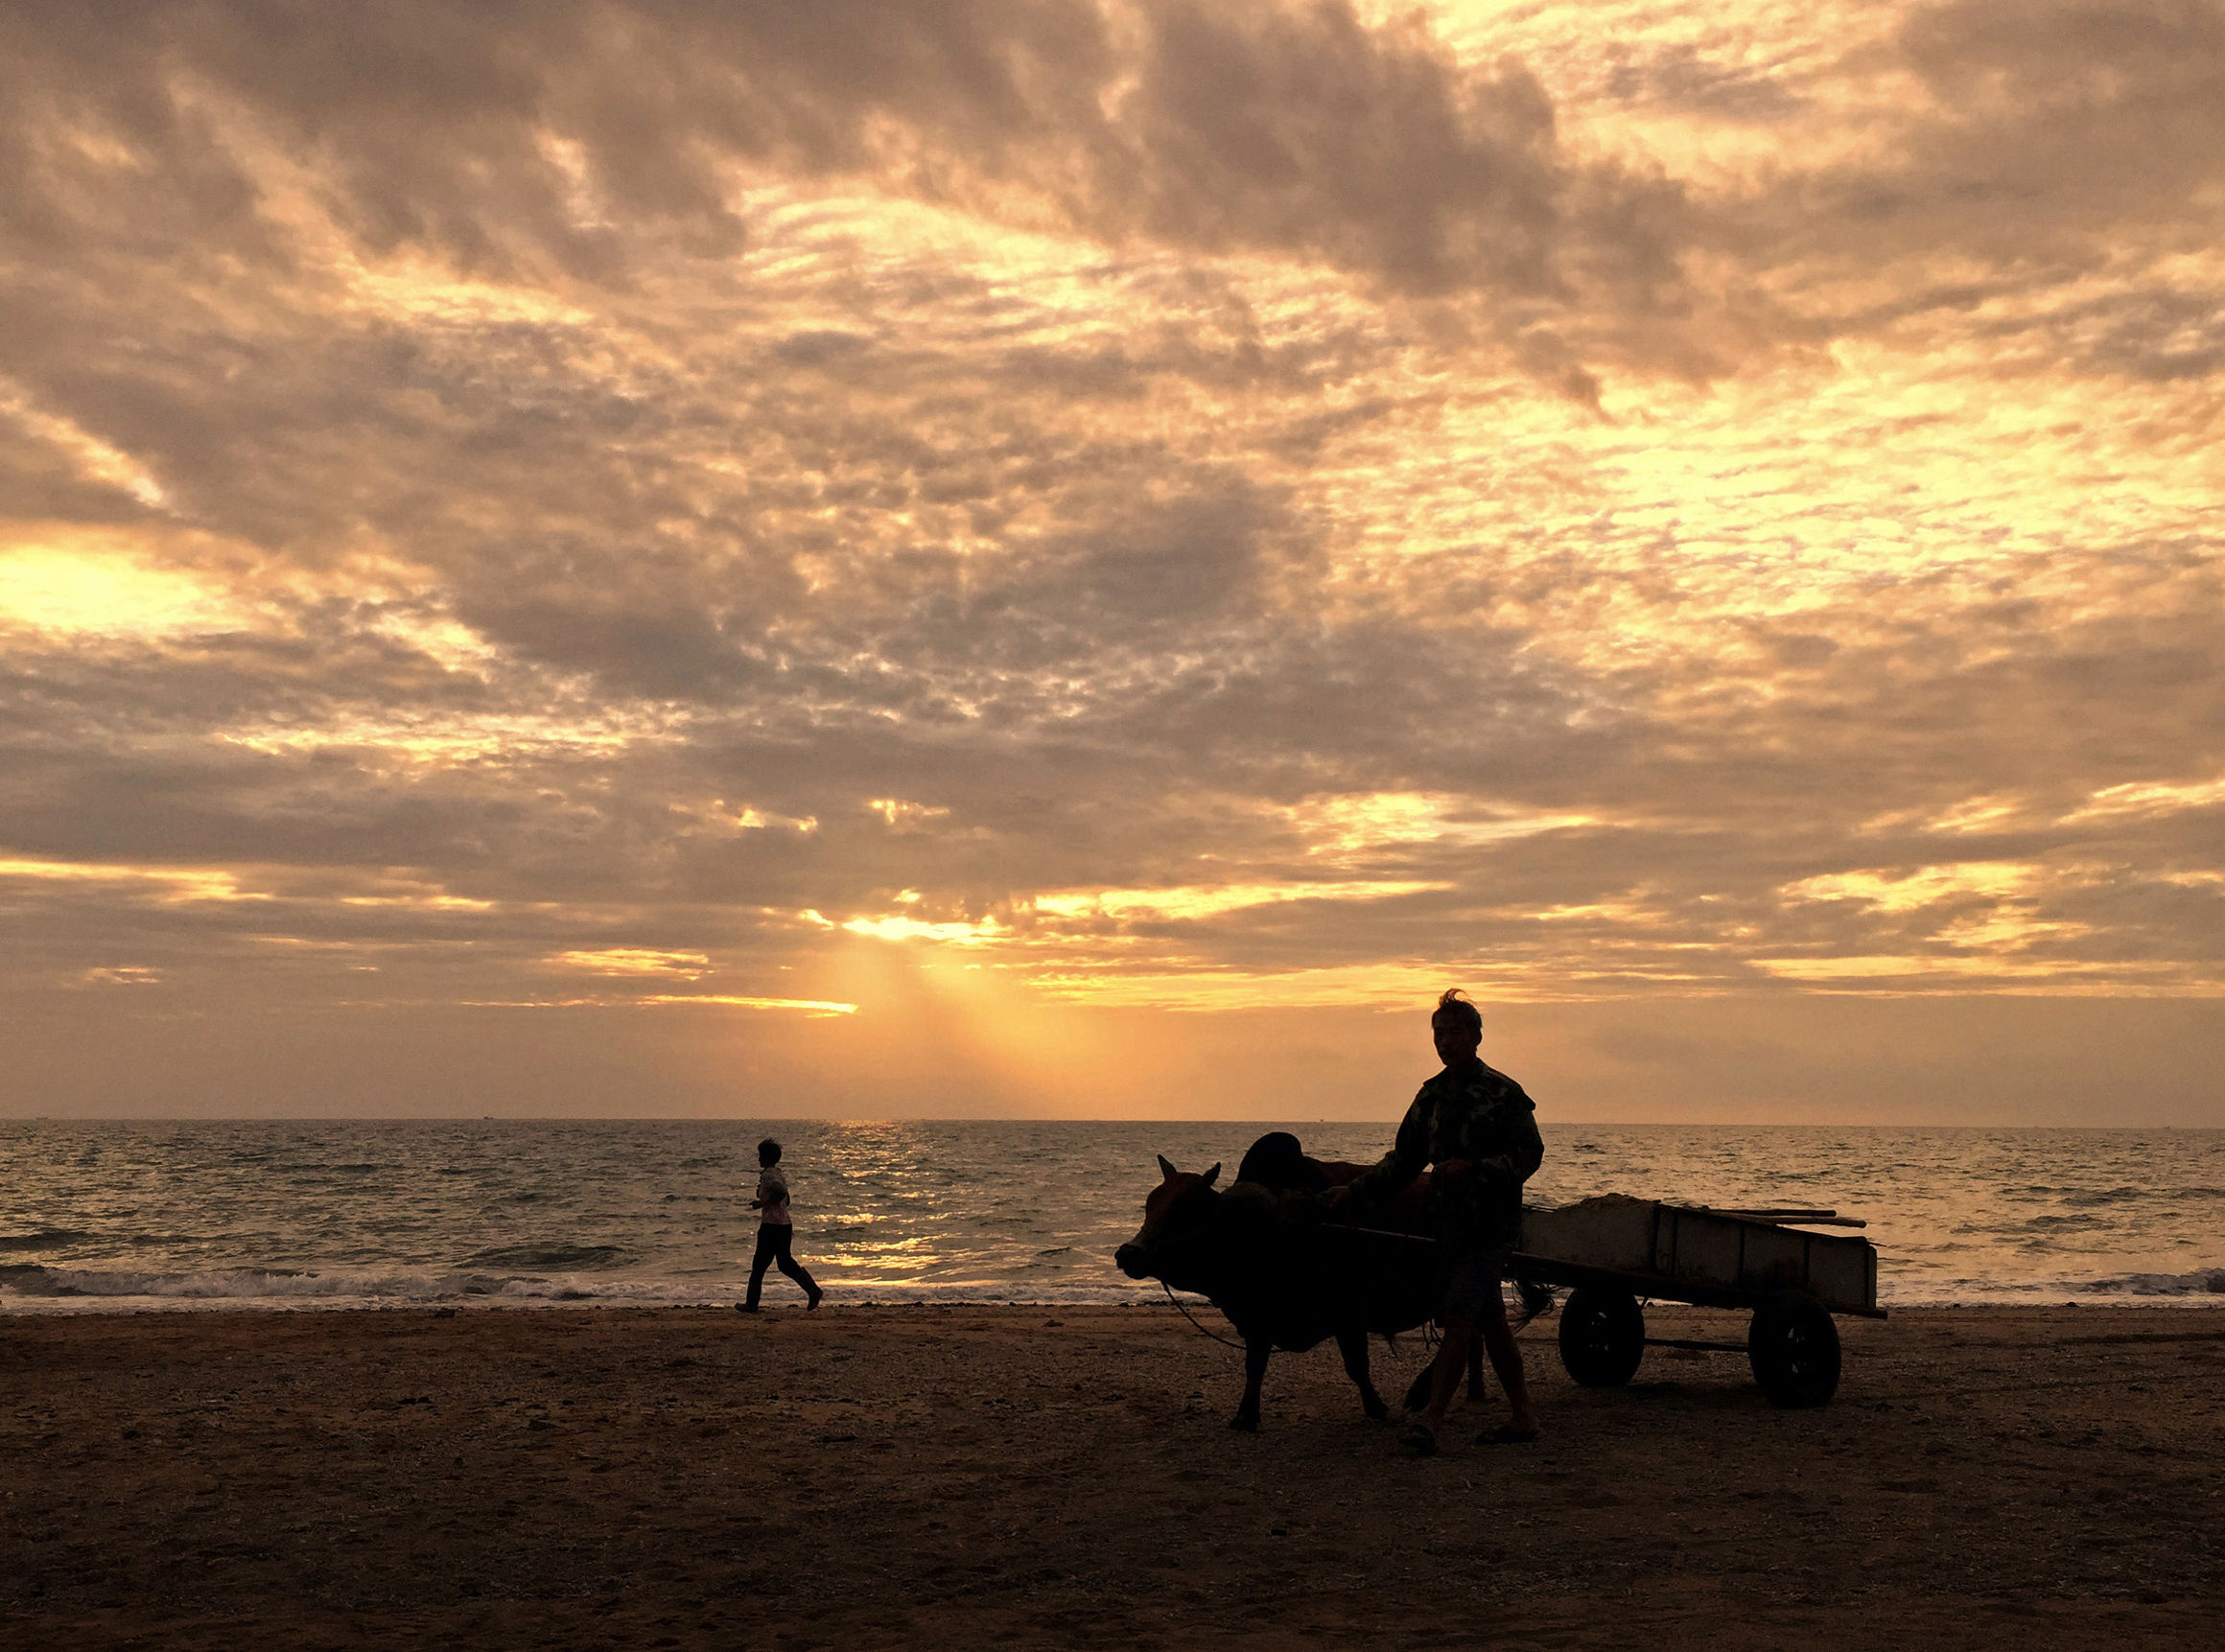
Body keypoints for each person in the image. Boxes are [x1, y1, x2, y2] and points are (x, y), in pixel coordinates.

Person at [1332, 989, 1542, 1454]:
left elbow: (1530, 1154)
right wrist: (1354, 1191)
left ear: (1476, 1037)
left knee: (1457, 1317)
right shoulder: (1430, 1096)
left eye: (1454, 1033)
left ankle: (1430, 1421)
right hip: (1445, 1228)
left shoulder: (1504, 1093)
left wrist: (1477, 1169)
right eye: (1439, 1034)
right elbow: (1403, 1162)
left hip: (1491, 1228)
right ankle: (1524, 1416)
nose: (1445, 1042)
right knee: (1492, 1321)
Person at [739, 1138, 822, 1312]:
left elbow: (781, 1192)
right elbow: (787, 1199)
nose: (758, 1158)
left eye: (760, 1155)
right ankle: (813, 1290)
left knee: (759, 1265)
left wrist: (762, 1203)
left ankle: (751, 1304)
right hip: (784, 1225)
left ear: (765, 1157)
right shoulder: (779, 1174)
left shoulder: (769, 1175)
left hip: (771, 1226)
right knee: (784, 1263)